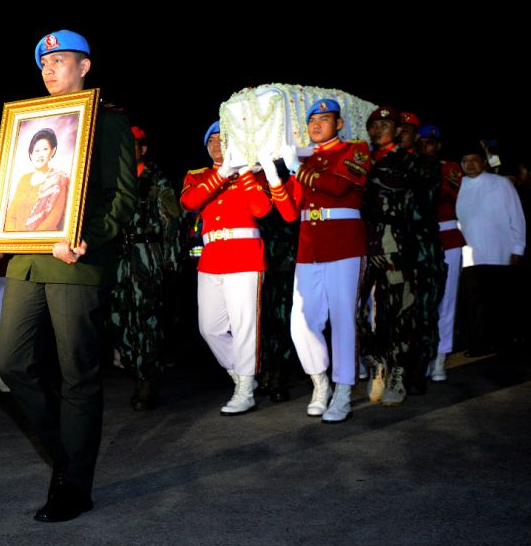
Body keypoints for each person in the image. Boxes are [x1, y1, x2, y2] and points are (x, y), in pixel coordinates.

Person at [0, 30, 137, 523]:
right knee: (10, 363)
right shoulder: (28, 124)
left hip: (76, 261)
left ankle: (74, 485)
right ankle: (67, 457)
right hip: (26, 260)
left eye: (60, 61)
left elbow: (123, 198)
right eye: (44, 63)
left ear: (85, 67)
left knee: (78, 373)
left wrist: (89, 236)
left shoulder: (108, 124)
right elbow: (10, 195)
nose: (49, 70)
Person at [181, 122, 296, 415]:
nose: (217, 144)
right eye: (212, 140)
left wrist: (243, 170)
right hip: (211, 256)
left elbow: (261, 209)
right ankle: (242, 373)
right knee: (210, 328)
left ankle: (244, 388)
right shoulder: (198, 175)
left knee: (245, 325)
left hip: (245, 254)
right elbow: (189, 201)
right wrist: (222, 173)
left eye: (224, 138)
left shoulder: (253, 173)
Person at [286, 99, 370, 423]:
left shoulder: (355, 149)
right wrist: (274, 176)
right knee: (302, 323)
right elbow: (291, 211)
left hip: (344, 244)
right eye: (312, 120)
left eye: (325, 119)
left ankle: (344, 389)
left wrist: (297, 169)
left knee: (343, 319)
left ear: (339, 124)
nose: (317, 125)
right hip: (310, 247)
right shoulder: (304, 159)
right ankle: (320, 381)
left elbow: (337, 187)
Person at [358, 106, 442, 406]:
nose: (381, 129)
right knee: (354, 311)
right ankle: (376, 360)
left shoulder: (416, 164)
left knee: (403, 313)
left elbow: (419, 208)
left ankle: (403, 372)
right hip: (362, 246)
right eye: (375, 125)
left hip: (401, 247)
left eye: (388, 125)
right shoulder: (361, 160)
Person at [109, 126, 182, 411]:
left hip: (147, 254)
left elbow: (172, 220)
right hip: (120, 258)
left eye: (133, 144)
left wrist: (171, 260)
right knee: (117, 319)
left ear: (143, 148)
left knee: (146, 319)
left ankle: (146, 379)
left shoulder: (156, 179)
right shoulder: (116, 180)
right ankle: (138, 364)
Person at [456, 141, 526, 356]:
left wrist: (518, 248)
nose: (470, 165)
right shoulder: (457, 185)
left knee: (500, 302)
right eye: (465, 161)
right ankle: (477, 344)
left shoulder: (501, 184)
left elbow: (517, 216)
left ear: (484, 162)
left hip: (500, 252)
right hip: (469, 254)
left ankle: (504, 343)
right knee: (472, 302)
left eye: (474, 160)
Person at [418, 124, 466, 380]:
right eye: (425, 142)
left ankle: (440, 356)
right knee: (423, 302)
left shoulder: (449, 168)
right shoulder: (410, 164)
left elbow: (452, 194)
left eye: (433, 143)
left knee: (446, 300)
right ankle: (424, 354)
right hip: (419, 240)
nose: (430, 146)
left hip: (447, 237)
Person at [4, 128, 70, 232]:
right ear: (31, 154)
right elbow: (11, 215)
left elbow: (53, 219)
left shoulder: (59, 180)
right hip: (15, 241)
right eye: (37, 150)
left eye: (45, 149)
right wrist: (13, 238)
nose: (40, 154)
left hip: (42, 242)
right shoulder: (24, 179)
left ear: (53, 151)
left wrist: (29, 241)